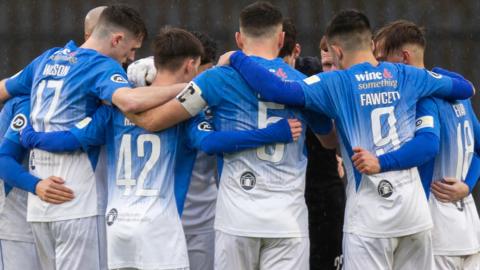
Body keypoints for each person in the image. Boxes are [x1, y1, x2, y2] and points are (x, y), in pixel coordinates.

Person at [220, 9, 475, 270]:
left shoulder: (337, 82)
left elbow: (277, 90)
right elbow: (466, 88)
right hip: (414, 218)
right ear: (372, 44)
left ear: (338, 52)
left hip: (369, 219)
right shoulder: (406, 75)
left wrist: (237, 58)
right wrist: (436, 75)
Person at [121, 2, 334, 269]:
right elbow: (329, 141)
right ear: (281, 39)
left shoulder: (214, 80)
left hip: (236, 220)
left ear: (238, 38)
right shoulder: (302, 84)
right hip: (287, 221)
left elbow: (154, 121)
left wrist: (123, 105)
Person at [0, 4, 191, 269]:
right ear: (117, 39)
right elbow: (130, 102)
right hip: (77, 197)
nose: (129, 58)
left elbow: (4, 89)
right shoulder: (101, 67)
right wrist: (188, 87)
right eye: (132, 50)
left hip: (39, 202)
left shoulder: (47, 58)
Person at [367, 20, 480, 270]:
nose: (378, 67)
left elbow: (427, 146)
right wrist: (468, 186)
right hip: (469, 231)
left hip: (438, 233)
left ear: (404, 58)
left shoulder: (421, 97)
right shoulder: (459, 93)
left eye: (382, 59)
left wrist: (379, 163)